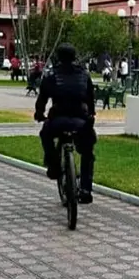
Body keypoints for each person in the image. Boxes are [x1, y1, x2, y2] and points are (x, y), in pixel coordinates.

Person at [35, 43, 97, 204]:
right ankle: (86, 189)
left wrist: (39, 114)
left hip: (58, 120)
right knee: (87, 152)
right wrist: (91, 113)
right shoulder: (84, 74)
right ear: (74, 57)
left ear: (58, 57)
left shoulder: (52, 74)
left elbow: (42, 98)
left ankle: (54, 165)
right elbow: (90, 98)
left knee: (45, 134)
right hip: (80, 121)